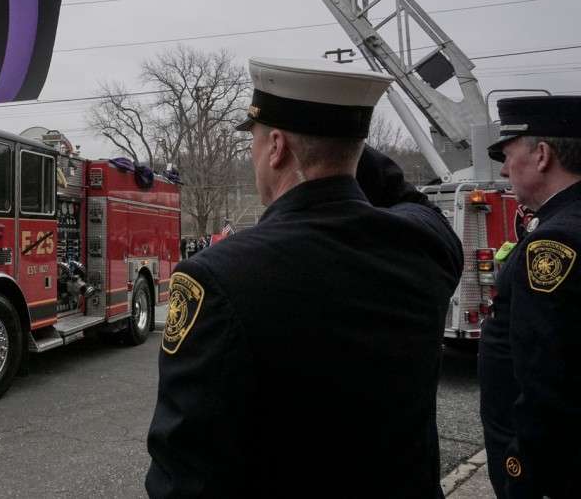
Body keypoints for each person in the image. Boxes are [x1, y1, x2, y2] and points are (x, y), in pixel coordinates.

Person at [146, 58, 463, 498]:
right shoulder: (426, 246)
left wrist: (337, 139)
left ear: (276, 147)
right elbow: (414, 203)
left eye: (254, 144)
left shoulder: (216, 276)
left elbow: (187, 473)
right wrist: (342, 139)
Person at [479, 96, 581, 499]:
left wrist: (525, 477)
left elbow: (549, 386)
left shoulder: (555, 242)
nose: (503, 169)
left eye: (507, 154)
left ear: (542, 155)